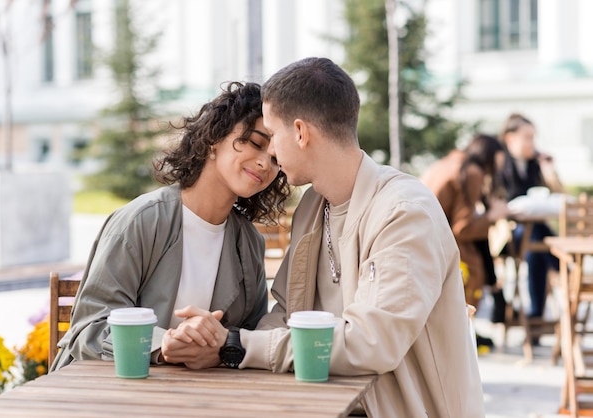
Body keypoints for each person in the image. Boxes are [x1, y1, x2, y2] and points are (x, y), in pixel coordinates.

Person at [161, 58, 484, 417]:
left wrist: (236, 345)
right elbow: (286, 313)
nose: (270, 152)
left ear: (300, 132)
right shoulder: (314, 206)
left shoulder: (404, 211)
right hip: (321, 405)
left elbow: (372, 344)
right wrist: (211, 339)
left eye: (273, 134)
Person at [50, 81, 291, 370]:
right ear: (215, 138)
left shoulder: (249, 243)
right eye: (255, 142)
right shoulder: (142, 221)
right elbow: (88, 329)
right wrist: (163, 346)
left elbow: (249, 339)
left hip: (200, 398)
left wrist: (222, 346)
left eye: (276, 158)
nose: (266, 163)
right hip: (110, 394)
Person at [421, 134, 510, 341]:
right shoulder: (471, 171)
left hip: (423, 237)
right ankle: (463, 331)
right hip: (440, 244)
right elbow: (462, 228)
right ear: (491, 155)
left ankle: (462, 331)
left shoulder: (448, 162)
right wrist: (492, 216)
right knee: (476, 264)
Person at [498, 113, 562, 319]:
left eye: (533, 137)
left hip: (535, 230)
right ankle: (565, 271)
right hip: (508, 232)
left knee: (538, 239)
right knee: (537, 239)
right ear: (511, 138)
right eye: (527, 137)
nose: (532, 143)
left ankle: (536, 314)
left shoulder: (535, 165)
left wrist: (550, 171)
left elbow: (558, 195)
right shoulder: (500, 164)